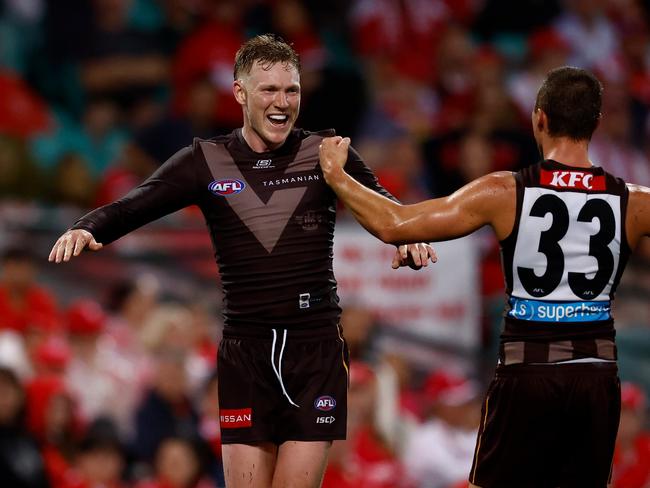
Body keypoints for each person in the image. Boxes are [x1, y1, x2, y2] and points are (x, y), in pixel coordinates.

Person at [48, 34, 434, 488]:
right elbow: (137, 203)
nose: (282, 101)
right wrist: (86, 227)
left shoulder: (326, 152)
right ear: (239, 93)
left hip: (315, 350)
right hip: (244, 353)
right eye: (268, 89)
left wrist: (410, 239)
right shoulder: (206, 160)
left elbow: (386, 208)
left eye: (291, 90)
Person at [318, 66, 647, 487]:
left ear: (538, 118)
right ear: (597, 123)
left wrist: (336, 175)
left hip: (527, 368)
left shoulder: (505, 191)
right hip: (596, 374)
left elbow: (395, 223)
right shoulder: (634, 201)